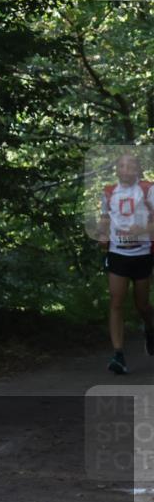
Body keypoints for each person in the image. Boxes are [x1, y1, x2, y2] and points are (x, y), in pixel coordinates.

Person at [98, 152, 154, 375]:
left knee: (142, 305)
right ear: (117, 170)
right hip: (118, 253)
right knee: (116, 301)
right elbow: (105, 218)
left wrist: (141, 230)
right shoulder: (109, 192)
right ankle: (118, 354)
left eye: (131, 166)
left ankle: (150, 328)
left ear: (138, 169)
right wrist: (102, 234)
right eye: (122, 165)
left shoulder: (147, 190)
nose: (126, 169)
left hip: (141, 254)